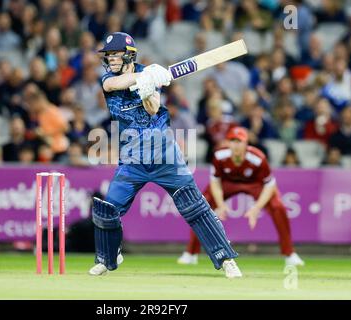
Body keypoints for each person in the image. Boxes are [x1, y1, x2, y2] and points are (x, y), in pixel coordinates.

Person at [88, 32, 242, 278]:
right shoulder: (111, 78)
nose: (110, 60)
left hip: (165, 157)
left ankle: (226, 259)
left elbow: (152, 110)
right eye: (108, 56)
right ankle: (107, 259)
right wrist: (143, 76)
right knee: (107, 209)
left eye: (114, 55)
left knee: (195, 208)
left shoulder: (152, 76)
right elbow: (112, 85)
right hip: (132, 160)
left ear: (128, 55)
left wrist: (148, 89)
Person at [178, 127, 305, 267]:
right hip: (227, 183)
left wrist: (256, 208)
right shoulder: (220, 156)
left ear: (246, 144)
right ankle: (191, 253)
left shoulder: (258, 158)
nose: (236, 145)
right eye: (233, 141)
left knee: (278, 207)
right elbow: (215, 183)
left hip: (254, 184)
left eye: (239, 141)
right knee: (200, 206)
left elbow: (269, 186)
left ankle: (290, 254)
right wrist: (220, 205)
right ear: (228, 142)